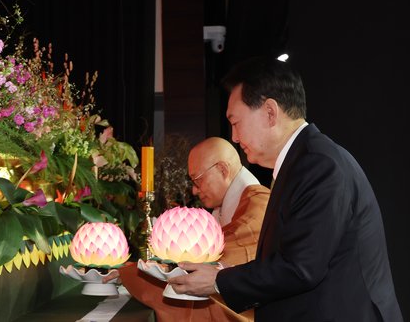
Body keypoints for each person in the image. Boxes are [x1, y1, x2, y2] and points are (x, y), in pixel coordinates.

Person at [167, 56, 403, 321]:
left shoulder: (319, 165)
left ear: (270, 112)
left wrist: (220, 281)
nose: (233, 137)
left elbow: (301, 268)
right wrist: (223, 272)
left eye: (235, 122)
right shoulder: (303, 162)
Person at [106, 137, 270, 322]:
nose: (193, 191)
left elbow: (211, 268)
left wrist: (133, 273)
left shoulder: (259, 204)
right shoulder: (223, 208)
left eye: (197, 180)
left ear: (223, 170)